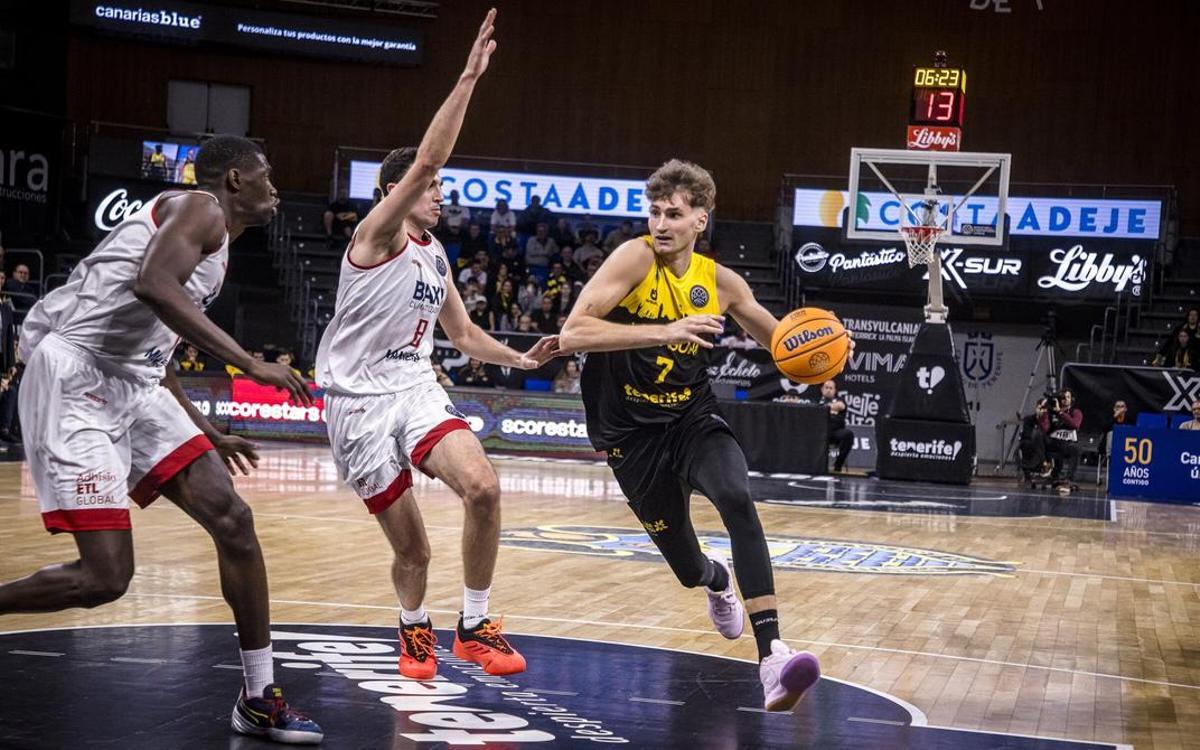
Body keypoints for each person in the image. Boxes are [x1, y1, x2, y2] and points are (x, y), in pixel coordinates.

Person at [0, 135, 322, 743]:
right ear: (232, 180)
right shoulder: (199, 209)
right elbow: (154, 284)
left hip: (132, 381)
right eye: (265, 174)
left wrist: (206, 430)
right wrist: (251, 364)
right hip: (77, 377)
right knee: (105, 580)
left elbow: (157, 344)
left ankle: (259, 696)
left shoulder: (220, 243)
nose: (275, 186)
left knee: (233, 518)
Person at [313, 10, 559, 683]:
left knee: (482, 486)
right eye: (433, 189)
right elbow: (428, 157)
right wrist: (469, 76)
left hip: (415, 387)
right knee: (414, 549)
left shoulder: (436, 256)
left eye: (443, 190)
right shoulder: (376, 237)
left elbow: (464, 335)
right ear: (395, 194)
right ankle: (412, 629)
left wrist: (521, 358)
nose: (441, 195)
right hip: (357, 402)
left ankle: (474, 623)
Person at [560, 158, 822, 712]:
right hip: (632, 436)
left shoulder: (721, 283)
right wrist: (666, 329)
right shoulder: (634, 259)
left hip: (690, 418)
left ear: (700, 219)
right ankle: (715, 577)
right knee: (686, 566)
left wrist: (816, 356)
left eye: (674, 214)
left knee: (736, 497)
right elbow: (573, 332)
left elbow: (784, 345)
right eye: (654, 212)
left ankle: (773, 655)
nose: (660, 223)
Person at [1040, 388, 1083, 495]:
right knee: (1038, 437)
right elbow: (1045, 429)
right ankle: (1049, 471)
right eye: (1062, 397)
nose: (1065, 399)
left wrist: (1060, 412)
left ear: (1071, 399)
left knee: (1076, 448)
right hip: (1054, 443)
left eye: (1067, 397)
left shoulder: (1075, 412)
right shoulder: (1052, 412)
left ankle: (1069, 479)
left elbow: (1075, 424)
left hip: (1068, 444)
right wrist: (1044, 412)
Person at [819, 379, 853, 472]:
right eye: (826, 388)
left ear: (835, 390)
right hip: (820, 433)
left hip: (835, 433)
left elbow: (841, 406)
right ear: (822, 389)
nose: (828, 390)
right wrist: (830, 407)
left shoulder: (839, 400)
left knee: (848, 434)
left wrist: (824, 407)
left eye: (831, 388)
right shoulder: (817, 401)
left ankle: (838, 465)